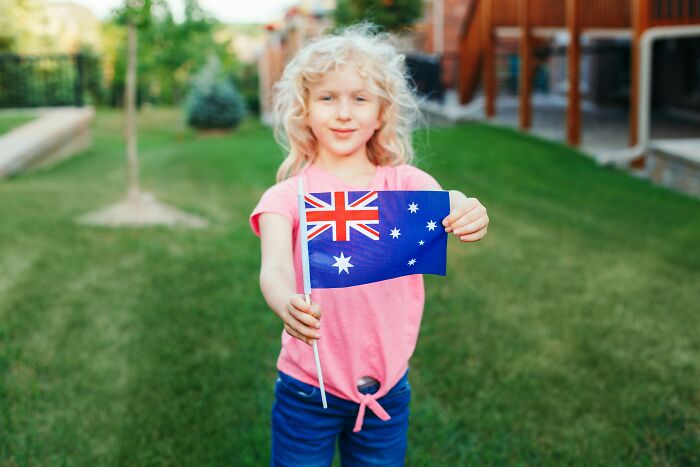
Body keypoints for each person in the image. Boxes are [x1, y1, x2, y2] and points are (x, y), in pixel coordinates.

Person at [249, 22, 489, 466]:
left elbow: (448, 204)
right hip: (308, 386)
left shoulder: (404, 185)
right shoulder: (286, 197)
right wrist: (286, 303)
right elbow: (275, 268)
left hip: (386, 388)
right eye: (327, 98)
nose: (344, 113)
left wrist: (467, 210)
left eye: (359, 99)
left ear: (381, 113)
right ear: (304, 110)